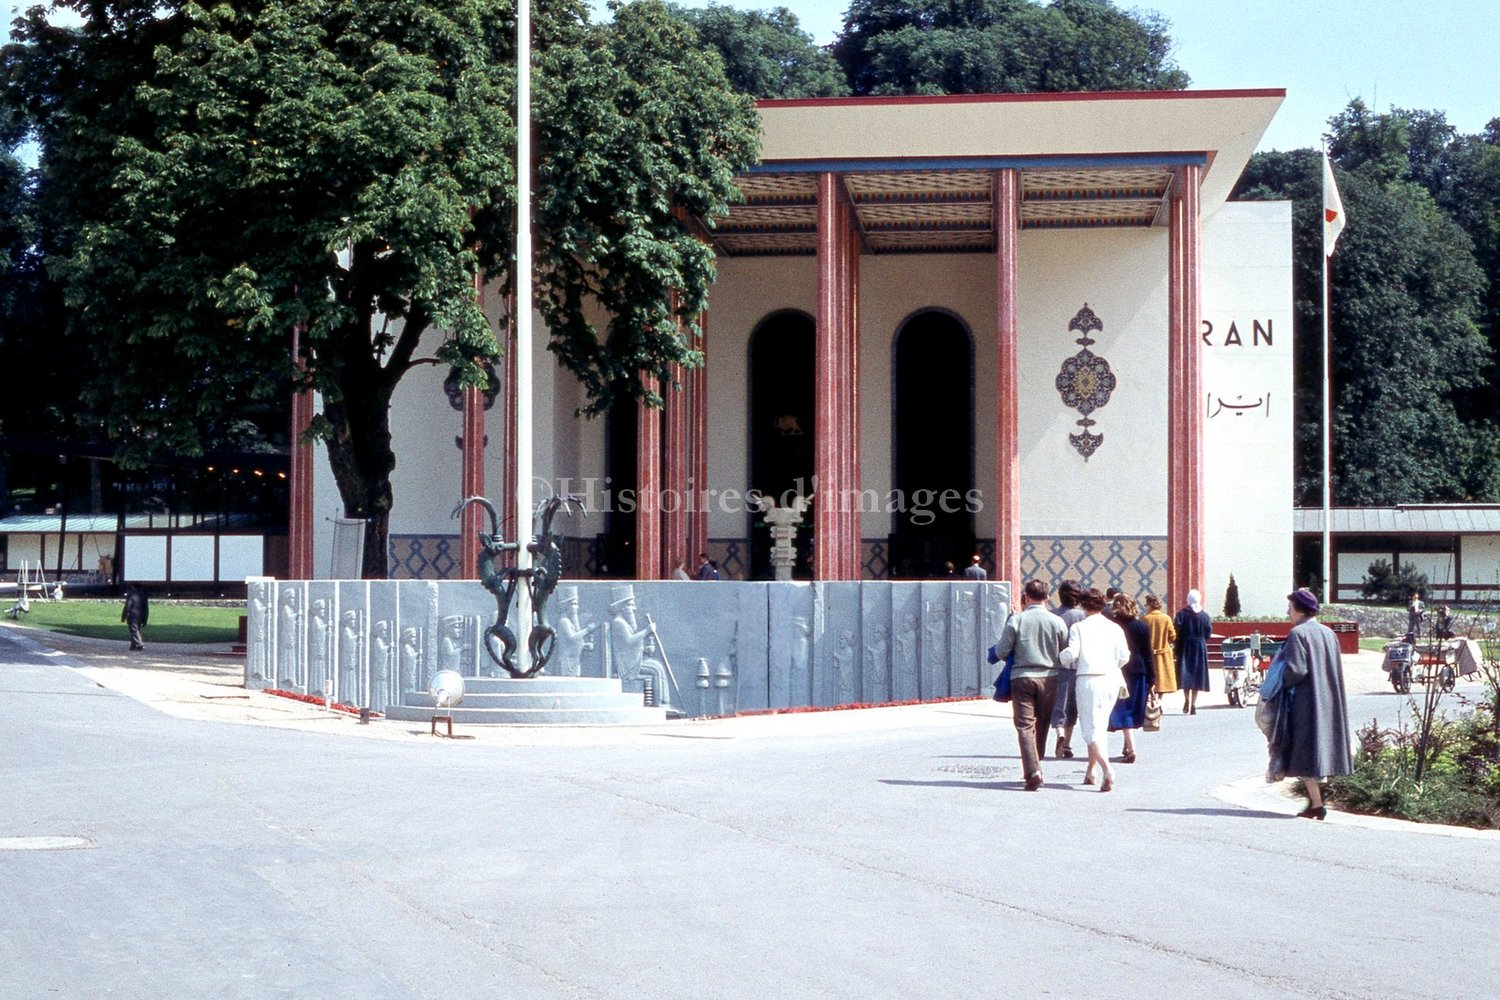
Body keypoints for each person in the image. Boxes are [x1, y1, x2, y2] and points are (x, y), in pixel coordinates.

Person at [1259, 588, 1352, 820]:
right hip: (1327, 699)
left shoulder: (1298, 634)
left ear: (1299, 610)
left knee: (1304, 750)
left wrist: (1280, 683)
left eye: (1289, 607)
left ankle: (1317, 803)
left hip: (1304, 702)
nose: (1287, 612)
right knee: (1316, 750)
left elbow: (1297, 670)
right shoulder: (1329, 634)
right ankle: (1316, 801)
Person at [991, 579, 1069, 791]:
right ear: (1047, 597)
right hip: (1050, 677)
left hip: (1022, 677)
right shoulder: (1057, 622)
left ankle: (1033, 770)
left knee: (1025, 725)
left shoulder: (1017, 620)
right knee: (1042, 721)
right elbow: (1064, 650)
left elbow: (1001, 652)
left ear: (1026, 597)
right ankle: (1036, 762)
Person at [1059, 588, 1129, 792]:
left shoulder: (1079, 627)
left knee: (1090, 728)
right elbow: (1125, 656)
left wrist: (1059, 656)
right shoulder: (1115, 628)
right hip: (1111, 679)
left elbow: (1072, 653)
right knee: (1099, 726)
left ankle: (1107, 770)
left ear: (1082, 605)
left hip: (1088, 679)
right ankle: (1091, 771)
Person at [1107, 594, 1153, 763]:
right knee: (1131, 709)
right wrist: (1152, 678)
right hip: (1139, 671)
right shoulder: (1142, 626)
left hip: (1119, 670)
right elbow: (1148, 654)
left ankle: (1131, 748)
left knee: (1123, 708)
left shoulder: (1113, 625)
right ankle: (1127, 746)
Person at [1050, 580, 1085, 758]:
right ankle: (1068, 744)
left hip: (1056, 666)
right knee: (1072, 706)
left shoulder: (1052, 615)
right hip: (1077, 667)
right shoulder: (1082, 617)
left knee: (1058, 703)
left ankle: (1059, 734)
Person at [1174, 588, 1212, 714]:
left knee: (1186, 675)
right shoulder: (1205, 616)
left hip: (1185, 646)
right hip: (1199, 647)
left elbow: (1177, 631)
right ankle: (1194, 704)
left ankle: (1186, 699)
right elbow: (1208, 633)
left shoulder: (1181, 615)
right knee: (1197, 676)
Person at [1142, 593, 1178, 698]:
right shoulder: (1166, 618)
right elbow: (1172, 636)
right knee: (1162, 681)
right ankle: (1160, 701)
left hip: (1149, 654)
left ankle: (1151, 700)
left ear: (1149, 605)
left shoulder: (1145, 619)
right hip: (1163, 654)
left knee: (1151, 679)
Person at [121, 586, 149, 652]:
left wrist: (123, 616)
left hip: (133, 615)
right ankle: (133, 645)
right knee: (137, 630)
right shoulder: (143, 596)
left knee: (134, 630)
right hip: (140, 615)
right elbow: (146, 608)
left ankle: (139, 644)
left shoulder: (131, 595)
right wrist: (145, 619)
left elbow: (127, 606)